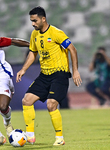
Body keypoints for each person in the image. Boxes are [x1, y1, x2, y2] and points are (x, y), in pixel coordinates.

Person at [16, 6, 82, 146]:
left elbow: (72, 49)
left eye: (35, 20)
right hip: (44, 75)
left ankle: (59, 138)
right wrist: (23, 69)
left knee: (51, 104)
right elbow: (33, 53)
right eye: (31, 21)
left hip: (59, 74)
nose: (33, 24)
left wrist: (75, 71)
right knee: (26, 100)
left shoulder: (56, 33)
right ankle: (30, 136)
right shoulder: (34, 34)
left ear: (43, 19)